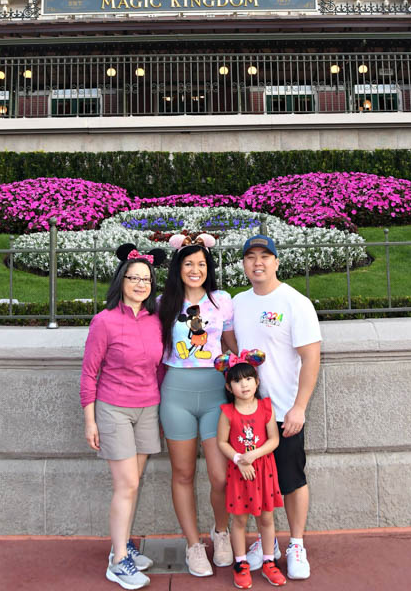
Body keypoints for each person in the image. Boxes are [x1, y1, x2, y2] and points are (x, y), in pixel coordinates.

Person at [223, 235, 321, 581]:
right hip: (248, 416)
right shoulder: (239, 302)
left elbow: (311, 357)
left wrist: (299, 407)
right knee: (253, 485)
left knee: (291, 481)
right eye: (251, 257)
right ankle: (269, 547)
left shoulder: (295, 302)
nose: (258, 263)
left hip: (283, 412)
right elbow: (230, 339)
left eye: (265, 256)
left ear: (277, 262)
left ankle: (295, 544)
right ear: (244, 264)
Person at [80, 243, 167, 590]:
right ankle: (118, 561)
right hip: (114, 408)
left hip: (148, 408)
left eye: (146, 279)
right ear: (122, 280)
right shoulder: (104, 321)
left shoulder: (155, 319)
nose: (140, 284)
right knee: (126, 484)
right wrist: (91, 420)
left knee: (134, 483)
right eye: (134, 278)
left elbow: (160, 367)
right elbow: (89, 373)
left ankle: (124, 544)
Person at [158, 233, 236, 577]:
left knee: (220, 476)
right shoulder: (163, 302)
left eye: (201, 264)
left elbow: (233, 348)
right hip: (176, 393)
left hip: (215, 394)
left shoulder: (222, 301)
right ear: (178, 266)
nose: (195, 269)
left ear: (209, 268)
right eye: (188, 263)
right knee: (184, 473)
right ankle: (193, 545)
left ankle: (221, 532)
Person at [215, 350, 286, 589]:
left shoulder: (266, 407)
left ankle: (268, 562)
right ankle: (241, 563)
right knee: (239, 519)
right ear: (228, 386)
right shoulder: (228, 413)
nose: (243, 385)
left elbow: (273, 440)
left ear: (256, 381)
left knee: (266, 518)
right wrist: (238, 459)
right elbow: (222, 442)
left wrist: (252, 456)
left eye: (247, 379)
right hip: (239, 473)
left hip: (263, 470)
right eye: (236, 380)